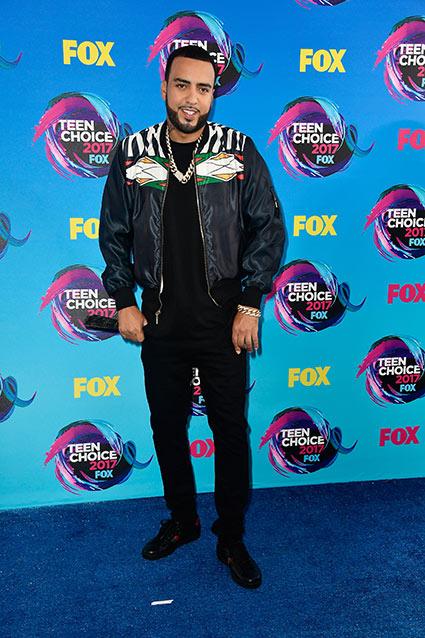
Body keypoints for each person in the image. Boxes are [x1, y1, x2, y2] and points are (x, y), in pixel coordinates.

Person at [99, 45, 285, 589]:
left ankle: (231, 536)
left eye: (204, 89)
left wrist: (250, 302)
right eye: (182, 85)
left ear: (213, 95)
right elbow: (113, 231)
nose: (192, 99)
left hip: (224, 322)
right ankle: (183, 520)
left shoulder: (238, 150)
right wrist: (124, 299)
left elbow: (267, 228)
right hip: (160, 321)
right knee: (166, 426)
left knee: (230, 430)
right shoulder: (133, 153)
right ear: (165, 87)